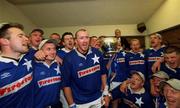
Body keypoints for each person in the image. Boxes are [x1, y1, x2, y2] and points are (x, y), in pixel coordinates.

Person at [62, 29, 108, 108]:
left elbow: (103, 74)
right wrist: (71, 104)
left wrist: (106, 92)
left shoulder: (97, 52)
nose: (85, 40)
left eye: (87, 37)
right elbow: (66, 84)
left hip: (98, 98)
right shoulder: (68, 58)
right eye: (81, 38)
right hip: (80, 102)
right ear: (76, 41)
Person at [0, 23, 33, 107]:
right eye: (20, 36)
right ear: (5, 41)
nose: (26, 39)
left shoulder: (28, 57)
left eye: (25, 36)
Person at [33, 39, 62, 108]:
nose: (53, 52)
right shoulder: (32, 66)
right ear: (40, 51)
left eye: (54, 49)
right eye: (48, 49)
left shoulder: (58, 64)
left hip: (56, 105)